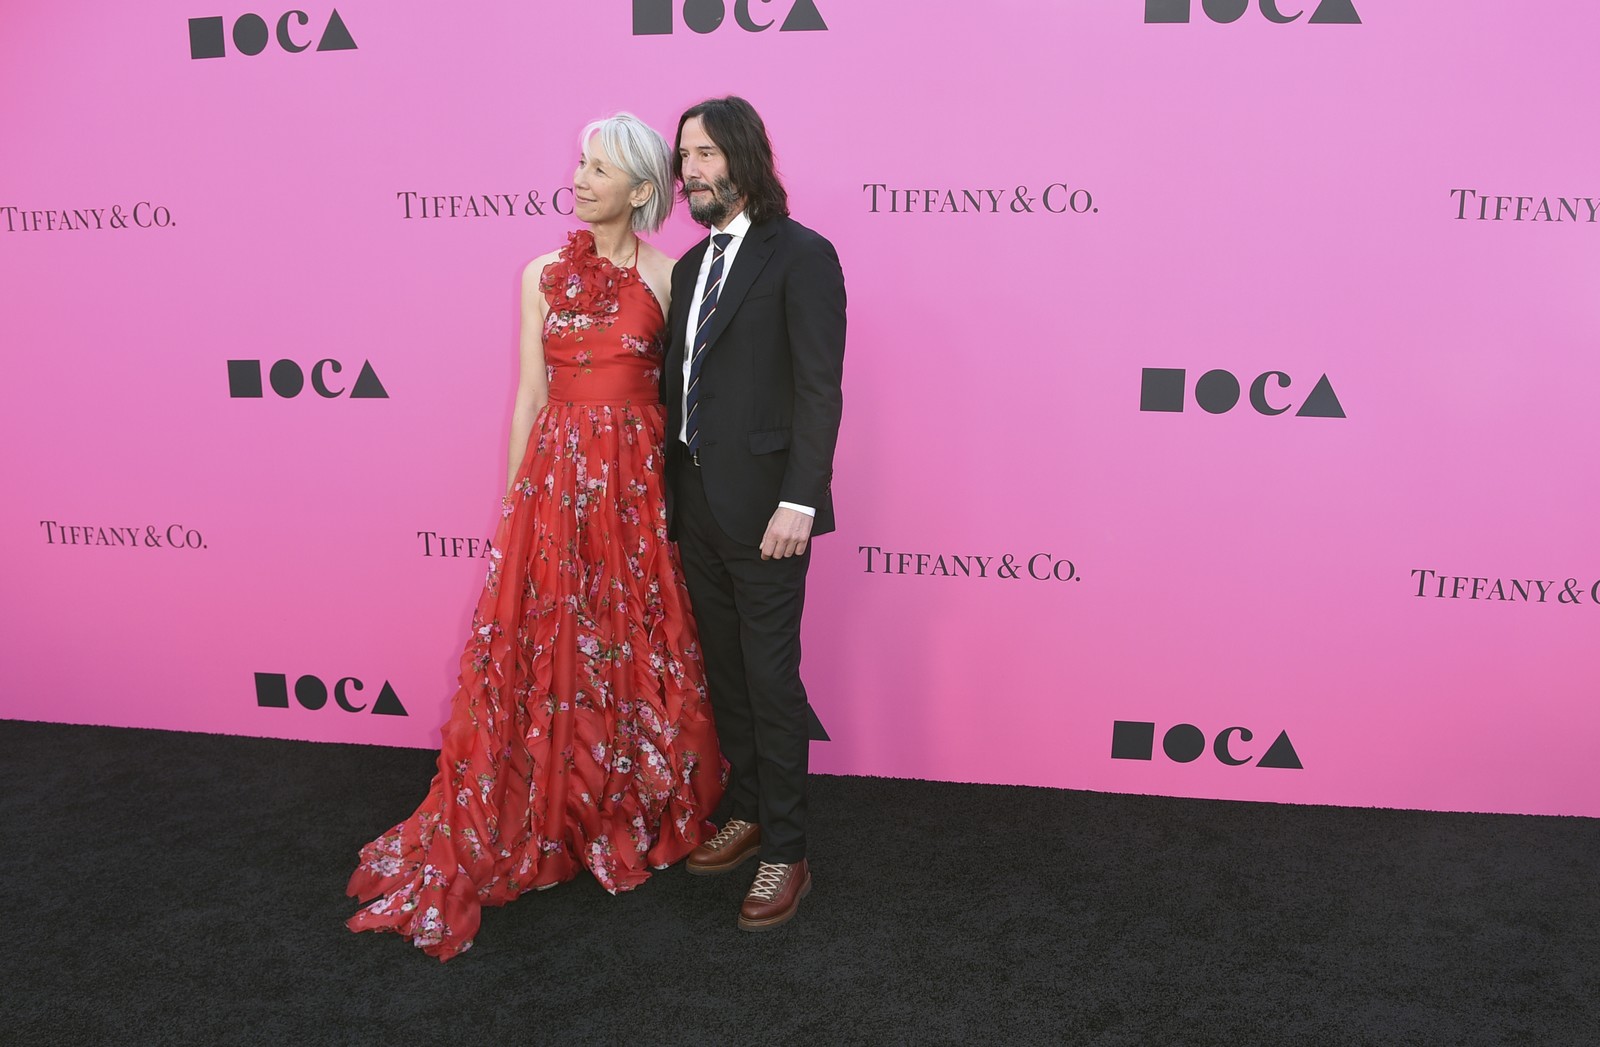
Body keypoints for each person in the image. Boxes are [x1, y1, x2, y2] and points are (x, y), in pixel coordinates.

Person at [345, 113, 725, 961]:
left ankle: (621, 798)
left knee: (628, 635)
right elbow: (529, 394)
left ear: (641, 188)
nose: (581, 179)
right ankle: (544, 807)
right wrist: (520, 498)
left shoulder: (674, 275)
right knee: (551, 637)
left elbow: (685, 400)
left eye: (600, 169)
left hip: (634, 480)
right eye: (580, 164)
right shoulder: (540, 273)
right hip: (555, 478)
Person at [662, 97, 846, 931]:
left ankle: (789, 849)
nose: (691, 170)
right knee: (728, 673)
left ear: (743, 156)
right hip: (697, 503)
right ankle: (746, 808)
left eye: (705, 153)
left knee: (771, 680)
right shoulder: (689, 268)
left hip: (772, 511)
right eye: (684, 156)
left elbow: (818, 388)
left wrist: (800, 499)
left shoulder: (802, 255)